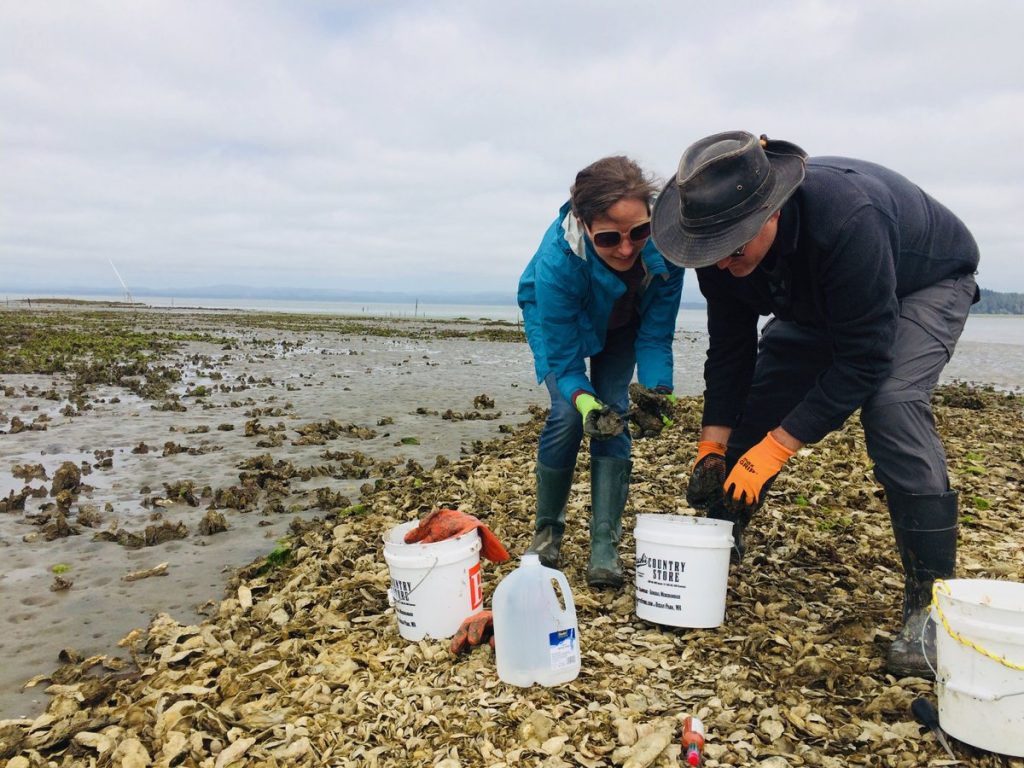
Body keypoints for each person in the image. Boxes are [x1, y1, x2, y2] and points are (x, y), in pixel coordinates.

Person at [650, 131, 980, 677]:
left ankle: (929, 604)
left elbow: (864, 360)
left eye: (734, 250)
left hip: (923, 283)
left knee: (892, 403)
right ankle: (719, 537)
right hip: (819, 298)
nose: (723, 264)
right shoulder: (718, 247)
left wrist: (776, 450)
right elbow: (731, 352)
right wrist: (714, 444)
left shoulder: (848, 221)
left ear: (772, 214)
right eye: (711, 255)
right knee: (757, 405)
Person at [517, 155, 684, 588]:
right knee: (570, 414)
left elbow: (654, 336)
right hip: (560, 320)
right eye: (609, 237)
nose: (627, 249)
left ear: (652, 218)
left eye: (639, 232)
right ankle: (547, 533)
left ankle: (604, 545)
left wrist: (657, 390)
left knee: (617, 411)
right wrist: (584, 400)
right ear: (585, 225)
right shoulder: (558, 263)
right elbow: (568, 364)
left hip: (623, 324)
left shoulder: (668, 248)